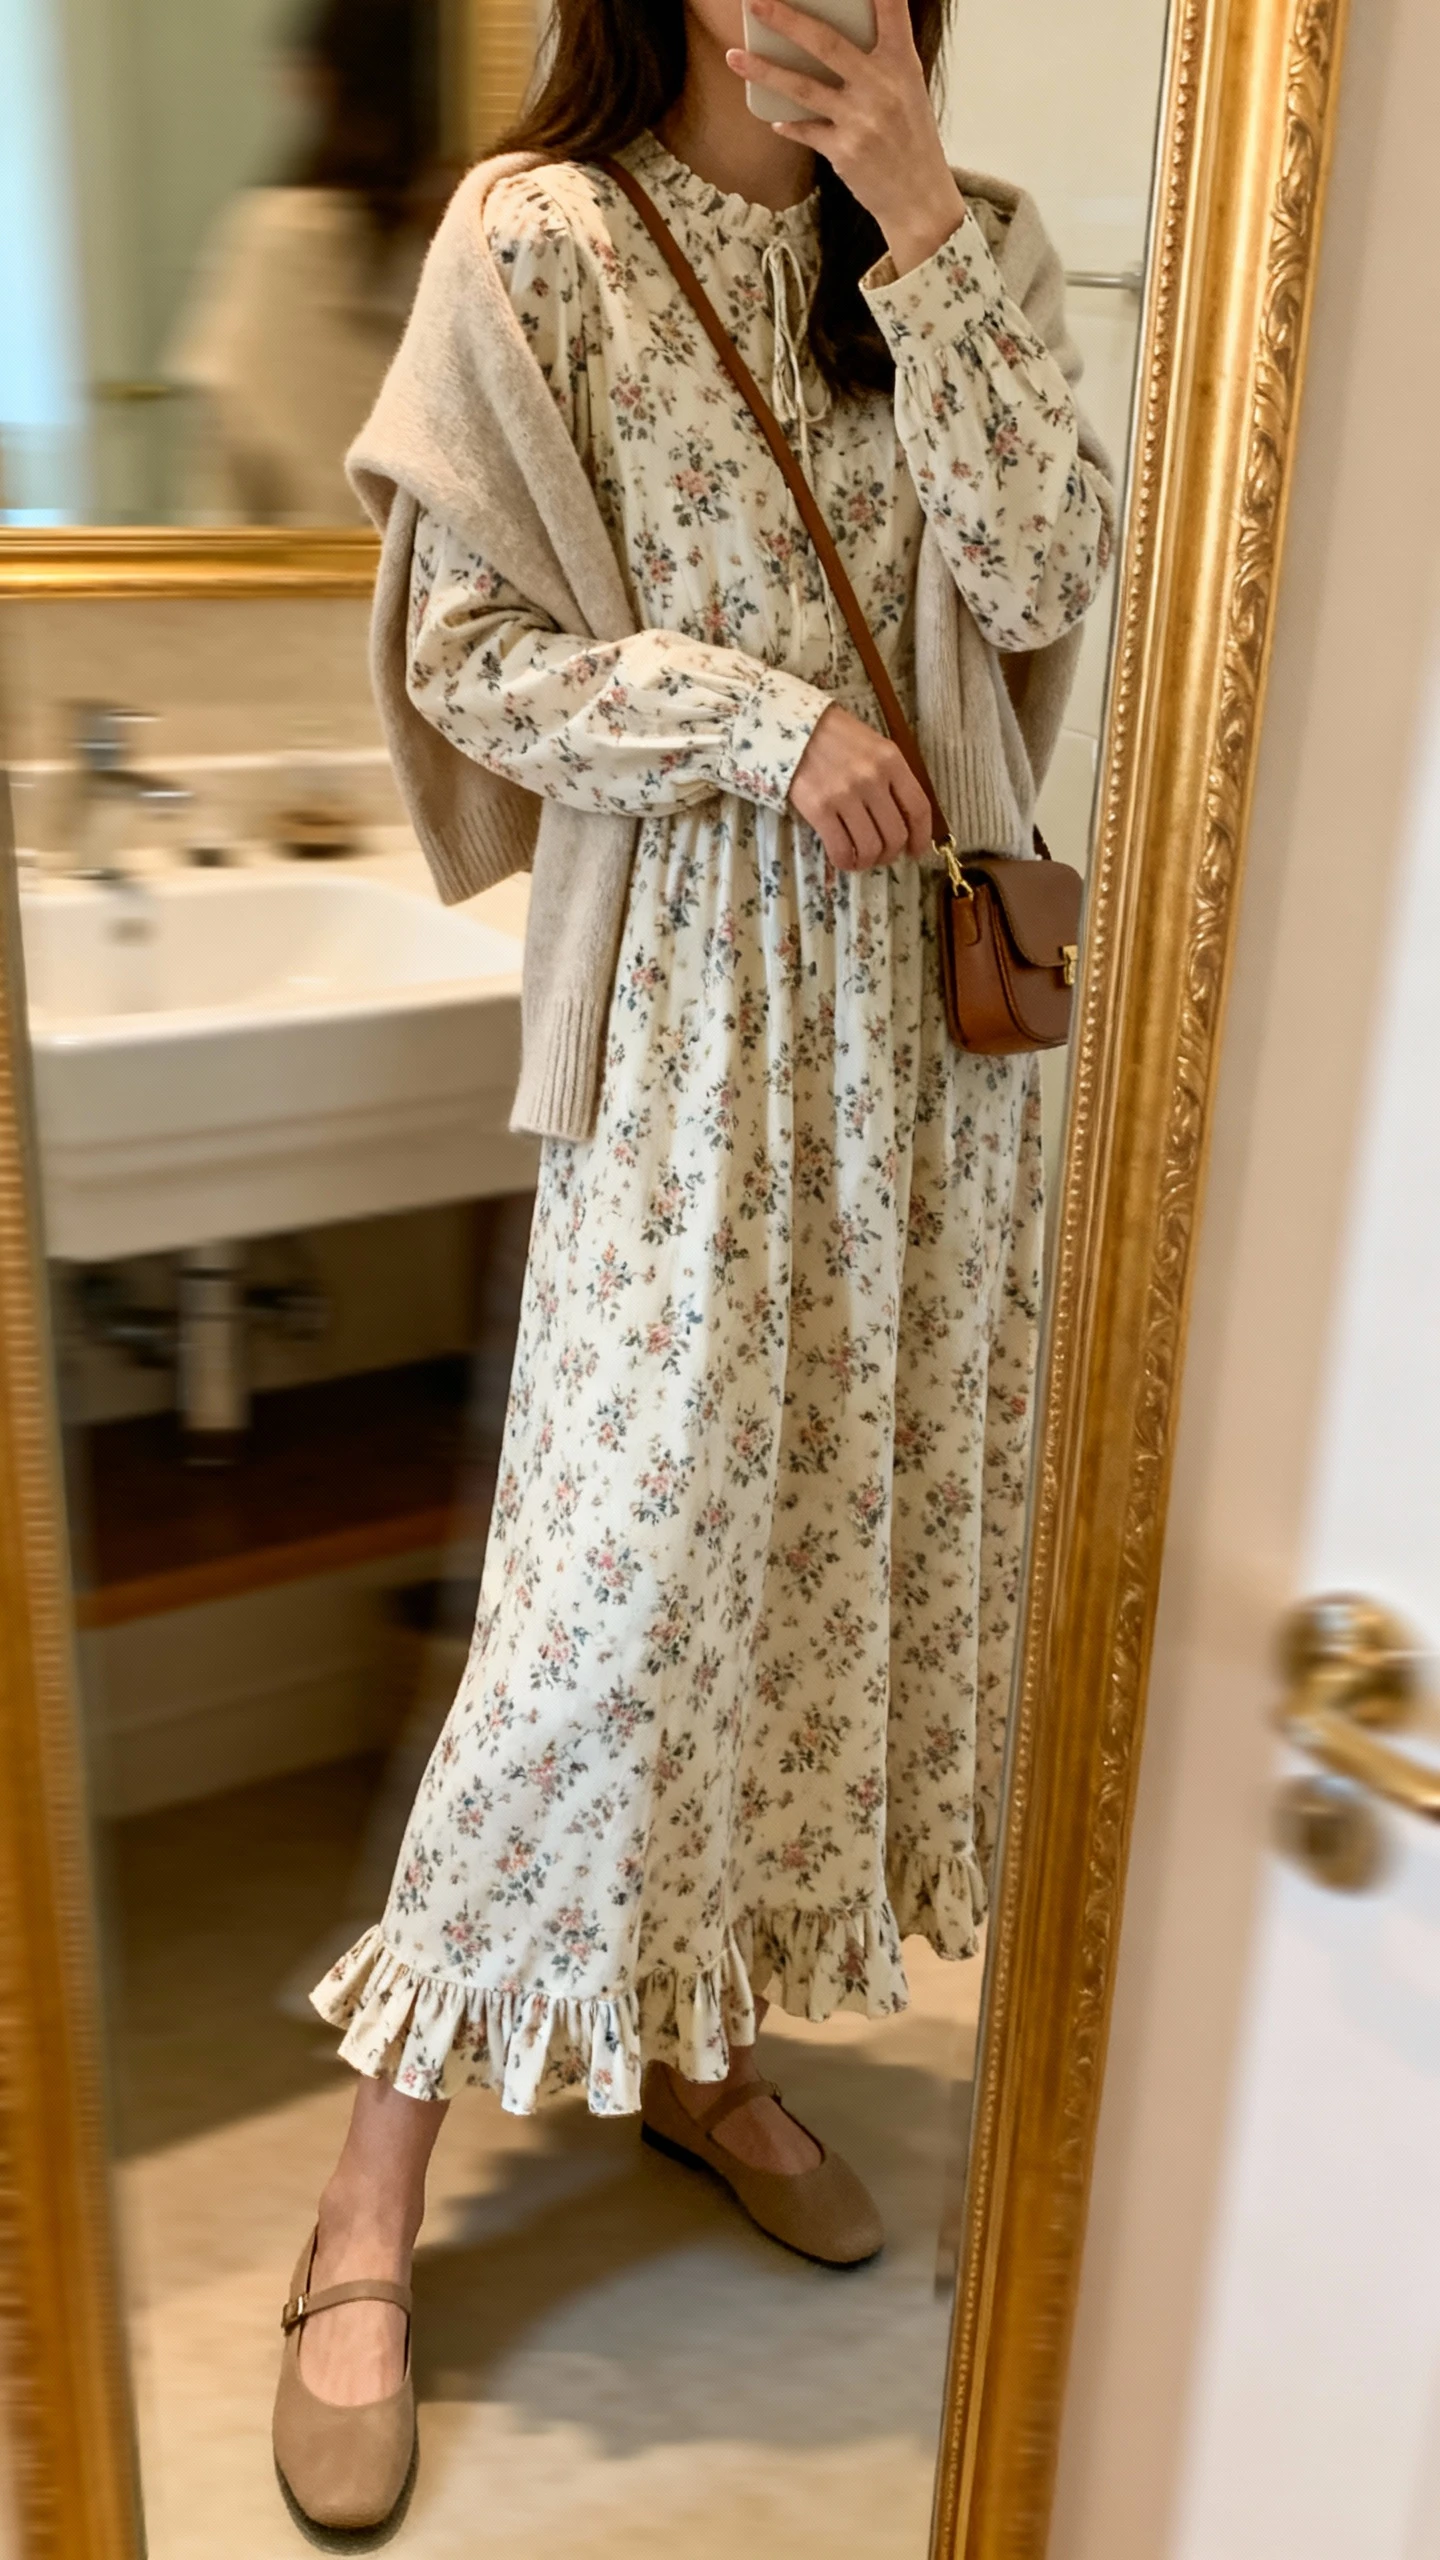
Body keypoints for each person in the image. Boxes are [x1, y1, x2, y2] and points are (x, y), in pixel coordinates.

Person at [272, 0, 1114, 2527]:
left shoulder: (961, 253)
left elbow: (1054, 579)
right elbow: (461, 662)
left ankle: (686, 2037)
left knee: (814, 1569)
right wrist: (758, 725)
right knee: (607, 1598)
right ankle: (362, 2197)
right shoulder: (539, 240)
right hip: (701, 1035)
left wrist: (931, 223)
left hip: (933, 1063)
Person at [167, 0, 447, 523]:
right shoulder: (478, 233)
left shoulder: (276, 242)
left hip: (301, 592)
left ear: (323, 77)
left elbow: (224, 495)